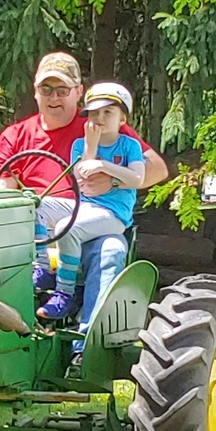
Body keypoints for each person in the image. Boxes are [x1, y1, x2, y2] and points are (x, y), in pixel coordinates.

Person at [0, 52, 168, 340]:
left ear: (78, 92)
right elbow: (5, 195)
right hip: (35, 232)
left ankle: (87, 343)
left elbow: (157, 169)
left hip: (94, 223)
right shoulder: (15, 136)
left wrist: (112, 182)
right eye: (46, 90)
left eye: (63, 90)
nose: (54, 97)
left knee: (111, 250)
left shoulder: (99, 123)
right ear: (35, 92)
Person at [35, 81, 144, 320]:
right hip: (85, 208)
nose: (100, 118)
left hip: (114, 214)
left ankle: (64, 293)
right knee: (32, 204)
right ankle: (42, 267)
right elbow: (82, 179)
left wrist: (105, 166)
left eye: (108, 112)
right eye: (94, 113)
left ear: (122, 119)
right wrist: (91, 147)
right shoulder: (80, 146)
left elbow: (137, 178)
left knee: (66, 227)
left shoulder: (129, 146)